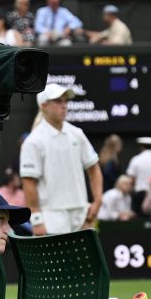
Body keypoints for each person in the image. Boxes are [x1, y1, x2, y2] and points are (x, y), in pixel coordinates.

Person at [18, 83, 102, 235]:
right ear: (44, 106)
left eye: (65, 101)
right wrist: (36, 219)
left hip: (83, 218)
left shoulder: (77, 134)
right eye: (58, 101)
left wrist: (97, 202)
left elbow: (94, 168)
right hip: (50, 220)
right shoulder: (33, 141)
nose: (64, 105)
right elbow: (28, 183)